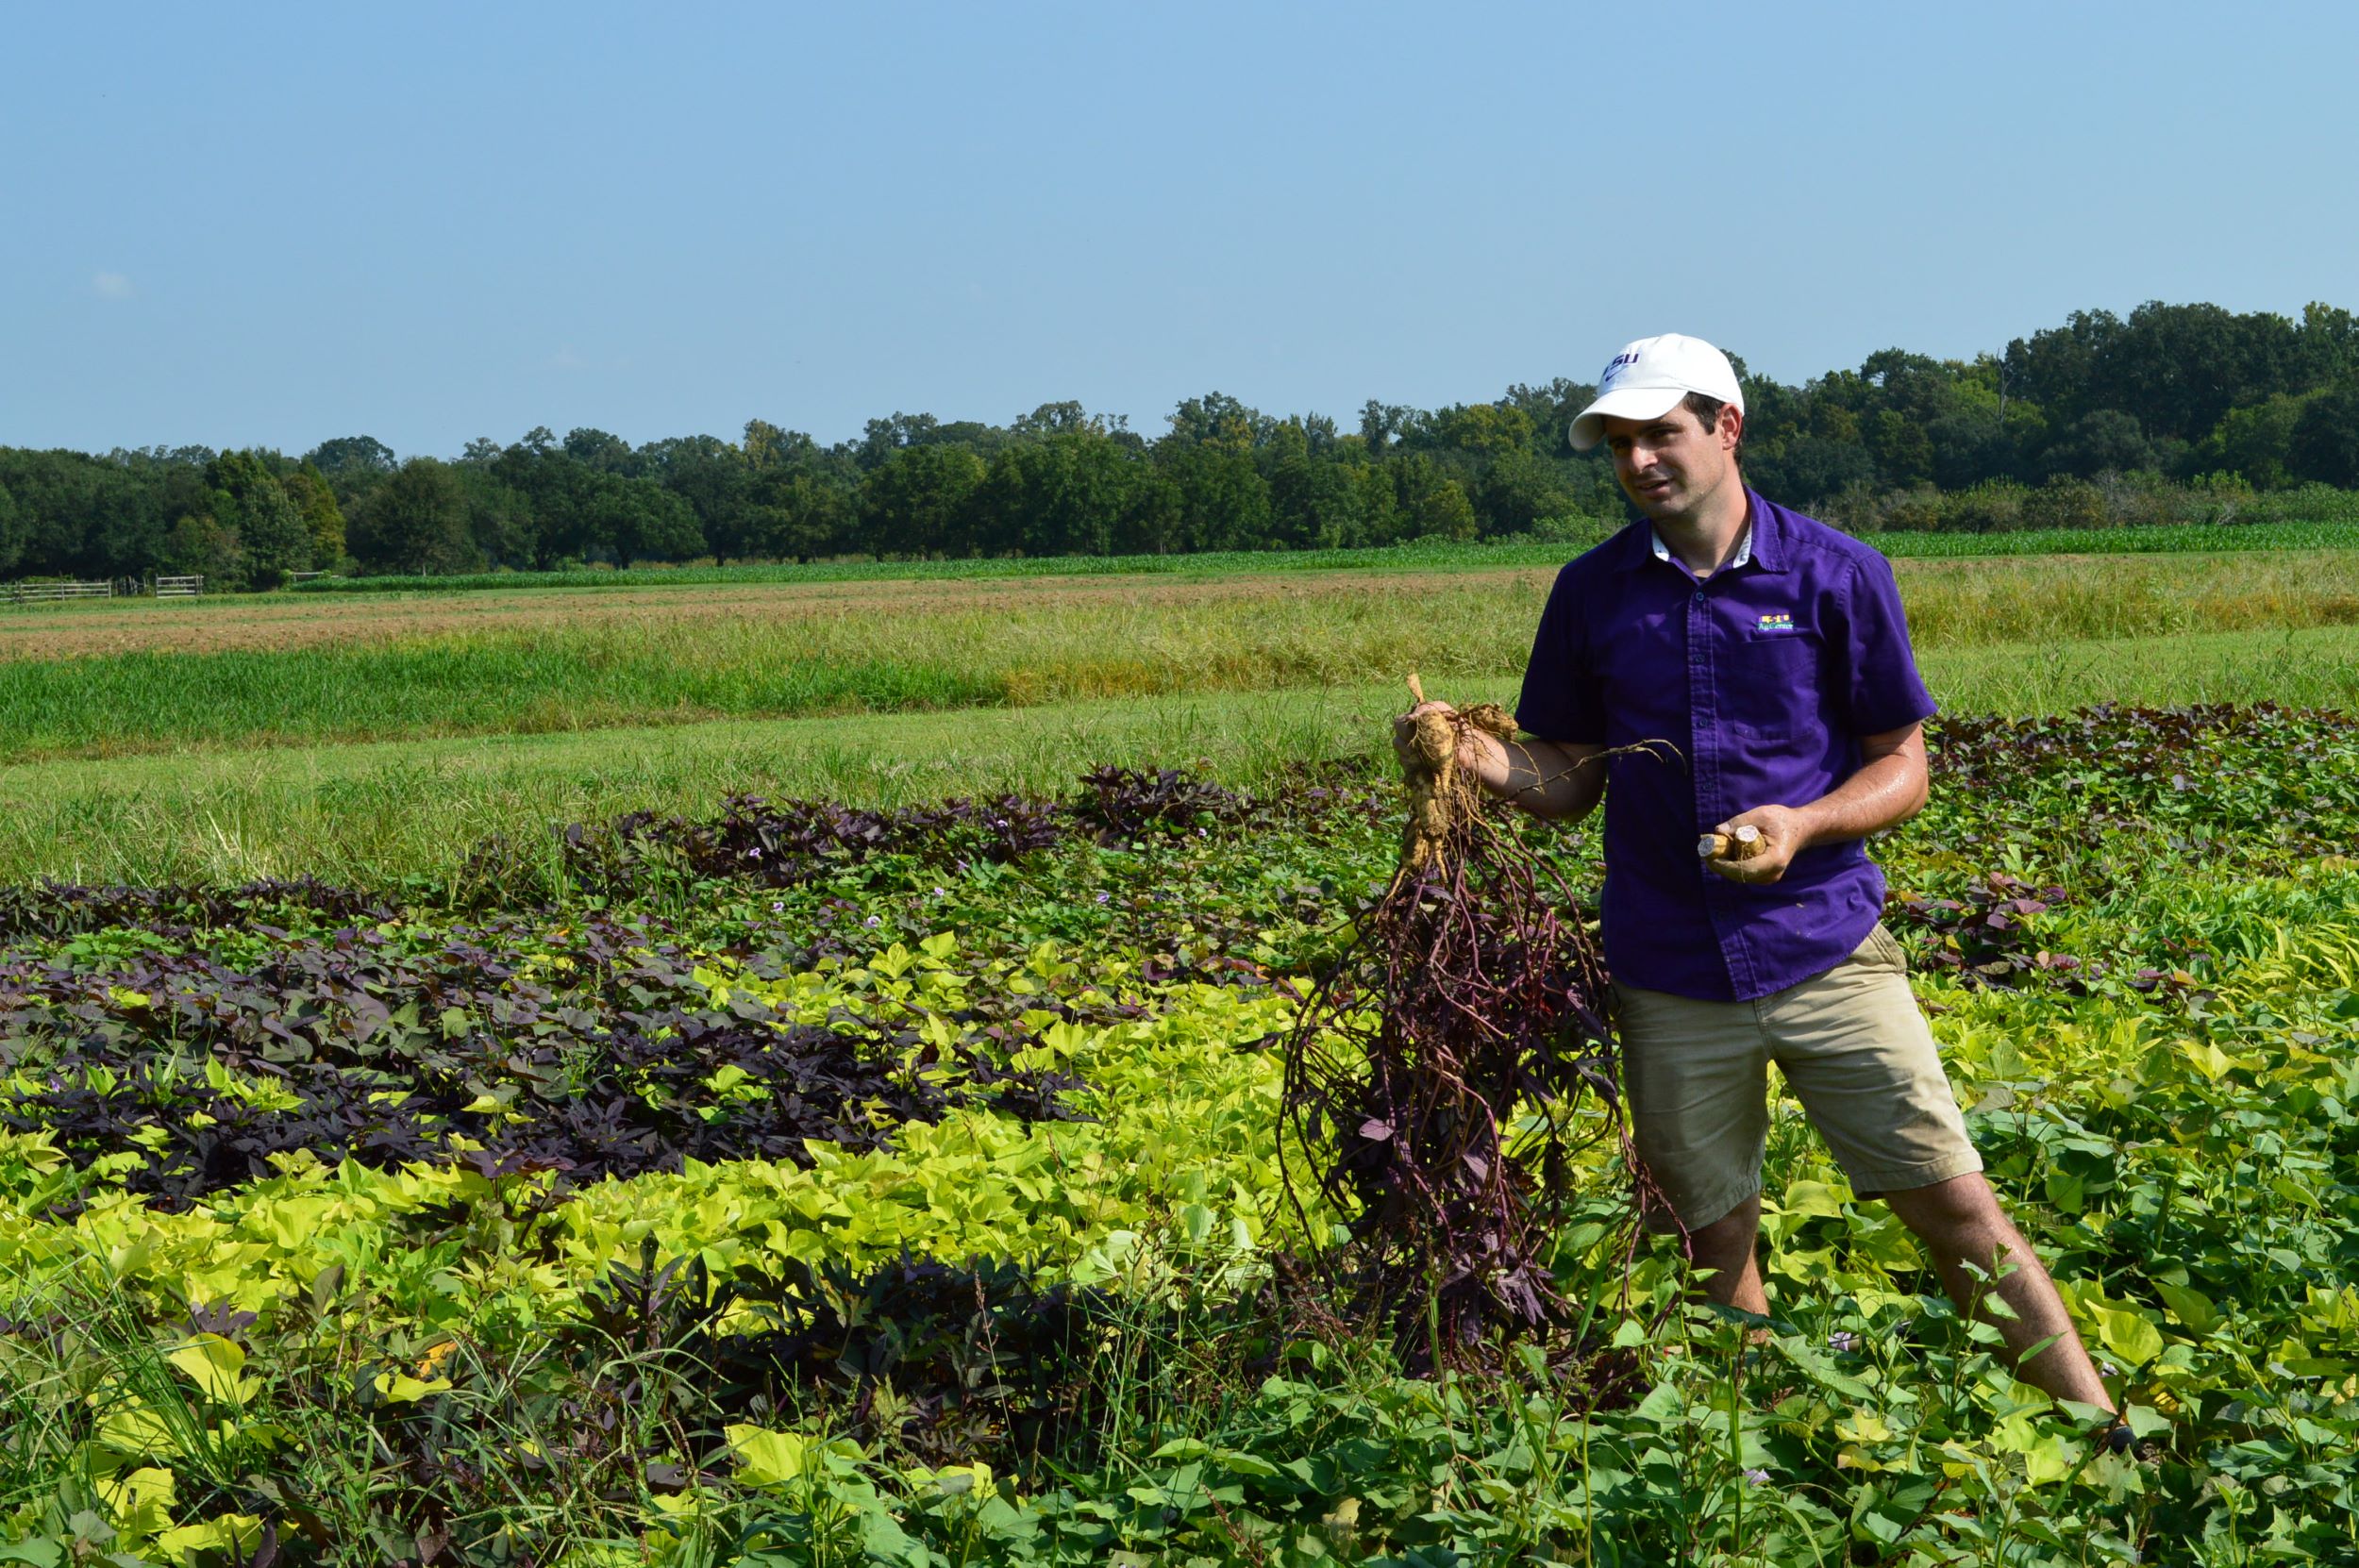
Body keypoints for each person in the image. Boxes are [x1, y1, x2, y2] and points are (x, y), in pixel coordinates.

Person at [1402, 333, 2119, 1423]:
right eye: (1621, 443)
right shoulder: (1592, 593)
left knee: (1956, 1209)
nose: (1640, 460)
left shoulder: (1836, 572)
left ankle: (2105, 1437)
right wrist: (1469, 753)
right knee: (1709, 1228)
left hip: (1823, 945)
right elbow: (1567, 778)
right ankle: (1744, 1462)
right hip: (1668, 970)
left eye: (1662, 434)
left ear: (1725, 429)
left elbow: (1902, 764)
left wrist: (1804, 822)